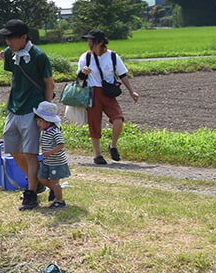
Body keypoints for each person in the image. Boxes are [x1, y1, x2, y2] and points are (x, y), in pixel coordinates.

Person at [0, 19, 55, 211]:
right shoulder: (8, 53)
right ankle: (37, 182)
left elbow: (49, 83)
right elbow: (14, 75)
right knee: (12, 148)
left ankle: (30, 195)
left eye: (11, 38)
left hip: (32, 108)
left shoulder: (39, 56)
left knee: (30, 153)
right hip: (14, 107)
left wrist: (45, 113)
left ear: (24, 37)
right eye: (6, 38)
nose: (8, 42)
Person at [77, 28, 140, 164]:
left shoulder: (112, 56)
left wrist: (131, 91)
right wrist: (83, 72)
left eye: (91, 41)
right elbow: (79, 77)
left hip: (108, 93)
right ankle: (97, 155)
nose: (88, 43)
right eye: (88, 41)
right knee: (94, 124)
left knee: (118, 119)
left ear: (100, 42)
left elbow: (122, 74)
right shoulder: (85, 57)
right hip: (92, 93)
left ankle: (113, 146)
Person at [34, 101, 69, 208]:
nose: (38, 123)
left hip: (56, 162)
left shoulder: (55, 132)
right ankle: (56, 190)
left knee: (54, 181)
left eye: (40, 121)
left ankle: (59, 199)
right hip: (48, 161)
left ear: (48, 121)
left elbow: (61, 145)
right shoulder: (45, 132)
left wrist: (51, 152)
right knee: (41, 177)